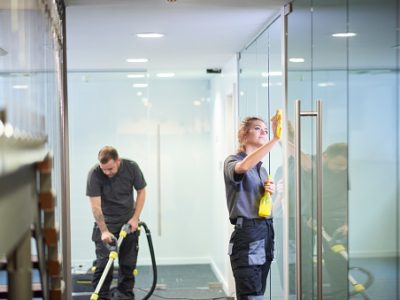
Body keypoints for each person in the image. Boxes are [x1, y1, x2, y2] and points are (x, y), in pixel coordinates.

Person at [223, 115, 280, 300]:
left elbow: (265, 207)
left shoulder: (261, 170)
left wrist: (270, 194)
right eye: (257, 128)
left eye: (265, 129)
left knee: (258, 293)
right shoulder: (232, 161)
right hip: (248, 234)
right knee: (251, 295)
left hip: (265, 231)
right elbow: (243, 167)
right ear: (244, 135)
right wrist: (275, 139)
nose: (263, 131)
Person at [87, 146, 147, 300]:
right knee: (103, 267)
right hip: (105, 224)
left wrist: (135, 218)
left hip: (128, 223)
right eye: (104, 169)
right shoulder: (94, 174)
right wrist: (104, 231)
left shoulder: (131, 168)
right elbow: (95, 206)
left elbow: (141, 191)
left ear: (118, 160)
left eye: (110, 169)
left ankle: (124, 297)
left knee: (127, 266)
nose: (107, 173)